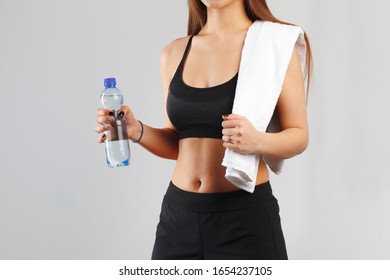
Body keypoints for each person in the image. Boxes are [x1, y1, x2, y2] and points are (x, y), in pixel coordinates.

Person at [95, 0, 313, 260]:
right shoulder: (174, 52)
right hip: (178, 218)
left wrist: (258, 141)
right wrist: (136, 130)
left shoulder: (274, 45)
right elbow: (178, 141)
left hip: (245, 219)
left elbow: (299, 134)